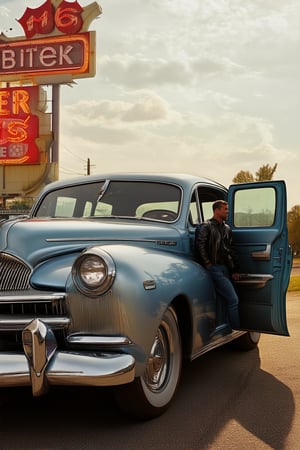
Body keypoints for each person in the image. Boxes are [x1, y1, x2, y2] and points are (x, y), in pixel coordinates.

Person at [195, 200, 240, 329]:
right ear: (217, 210)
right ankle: (236, 329)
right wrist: (208, 264)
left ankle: (222, 329)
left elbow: (231, 250)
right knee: (233, 300)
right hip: (214, 268)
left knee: (222, 301)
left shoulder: (227, 229)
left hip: (225, 269)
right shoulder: (206, 226)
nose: (228, 211)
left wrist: (234, 270)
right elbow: (200, 245)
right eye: (225, 209)